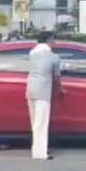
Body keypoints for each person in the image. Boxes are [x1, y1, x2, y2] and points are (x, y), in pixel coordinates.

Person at [26, 31, 62, 160]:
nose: (55, 42)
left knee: (35, 122)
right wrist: (61, 89)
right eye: (54, 39)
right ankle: (40, 154)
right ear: (49, 40)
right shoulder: (53, 57)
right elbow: (57, 77)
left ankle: (36, 150)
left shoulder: (32, 53)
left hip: (30, 89)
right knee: (41, 123)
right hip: (43, 92)